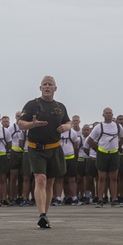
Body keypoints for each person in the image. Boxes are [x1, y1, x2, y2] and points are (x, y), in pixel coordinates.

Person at [18, 76, 71, 229]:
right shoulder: (32, 104)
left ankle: (45, 216)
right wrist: (32, 124)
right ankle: (41, 214)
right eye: (44, 85)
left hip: (54, 148)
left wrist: (67, 127)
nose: (47, 87)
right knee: (40, 179)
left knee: (50, 182)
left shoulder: (60, 107)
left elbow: (67, 121)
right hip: (36, 149)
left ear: (55, 88)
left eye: (50, 85)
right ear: (40, 88)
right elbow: (21, 124)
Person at [87, 108, 123, 207]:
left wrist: (118, 145)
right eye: (106, 113)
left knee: (114, 178)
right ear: (103, 115)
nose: (108, 115)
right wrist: (98, 149)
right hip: (102, 154)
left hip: (114, 153)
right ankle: (100, 200)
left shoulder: (117, 126)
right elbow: (89, 140)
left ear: (112, 115)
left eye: (110, 113)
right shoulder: (99, 127)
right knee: (101, 178)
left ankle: (114, 199)